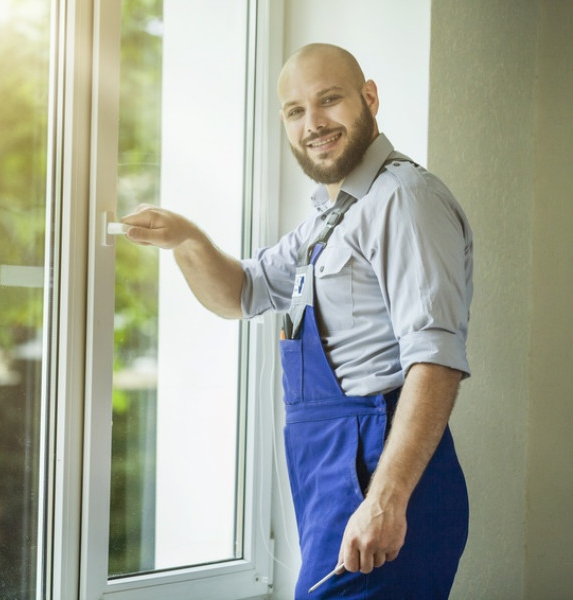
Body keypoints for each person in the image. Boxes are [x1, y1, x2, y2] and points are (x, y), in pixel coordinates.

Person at [120, 43, 472, 599]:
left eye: (329, 100)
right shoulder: (331, 218)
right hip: (334, 475)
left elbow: (435, 359)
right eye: (295, 111)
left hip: (378, 470)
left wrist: (385, 499)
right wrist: (186, 238)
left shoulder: (403, 200)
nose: (314, 123)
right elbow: (242, 292)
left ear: (369, 99)